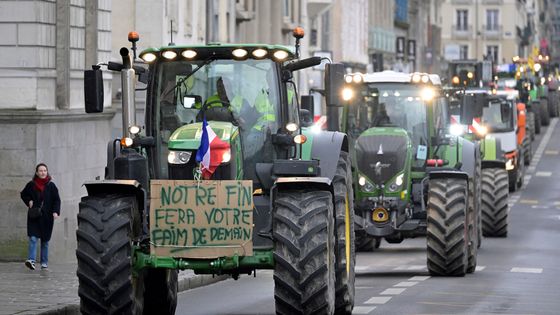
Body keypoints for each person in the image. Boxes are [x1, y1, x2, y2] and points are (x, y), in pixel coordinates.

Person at [20, 163, 61, 270]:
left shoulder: (51, 186)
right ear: (37, 173)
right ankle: (32, 261)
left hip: (47, 217)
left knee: (45, 241)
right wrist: (28, 201)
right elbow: (23, 194)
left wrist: (56, 212)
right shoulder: (31, 185)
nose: (43, 172)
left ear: (47, 172)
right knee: (33, 238)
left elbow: (57, 200)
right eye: (41, 171)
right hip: (34, 216)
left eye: (45, 171)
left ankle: (44, 262)